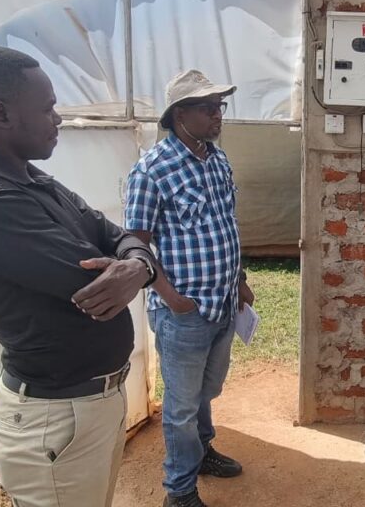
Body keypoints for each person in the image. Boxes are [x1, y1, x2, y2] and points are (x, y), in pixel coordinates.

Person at [0, 46, 156, 507]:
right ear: (0, 114)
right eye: (48, 107)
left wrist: (138, 266)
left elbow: (114, 234)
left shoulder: (32, 180)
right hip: (56, 419)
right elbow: (90, 274)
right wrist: (134, 264)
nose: (58, 118)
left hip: (87, 407)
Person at [125, 69, 253, 507]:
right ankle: (178, 492)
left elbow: (226, 225)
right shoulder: (151, 170)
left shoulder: (217, 159)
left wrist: (241, 281)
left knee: (206, 391)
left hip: (222, 303)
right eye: (208, 108)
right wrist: (173, 298)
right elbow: (135, 245)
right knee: (180, 406)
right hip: (184, 310)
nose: (218, 115)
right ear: (179, 115)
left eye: (220, 106)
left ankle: (202, 451)